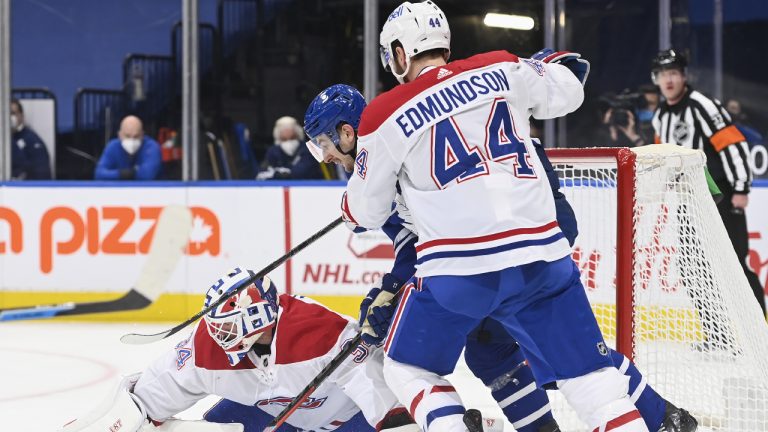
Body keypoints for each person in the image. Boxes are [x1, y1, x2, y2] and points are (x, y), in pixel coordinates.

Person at [325, 3, 647, 430]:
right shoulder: (501, 66)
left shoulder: (383, 113)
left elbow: (366, 211)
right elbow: (571, 89)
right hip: (544, 258)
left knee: (406, 368)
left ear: (401, 53)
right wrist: (549, 63)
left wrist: (349, 205)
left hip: (461, 273)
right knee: (594, 382)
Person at [305, 83, 698, 432]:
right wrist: (392, 287)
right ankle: (655, 415)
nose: (324, 156)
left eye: (323, 143)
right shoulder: (378, 166)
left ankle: (659, 415)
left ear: (346, 130)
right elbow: (412, 243)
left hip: (520, 241)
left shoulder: (400, 144)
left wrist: (394, 289)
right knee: (502, 348)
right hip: (484, 255)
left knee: (552, 347)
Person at [62, 268, 418, 432]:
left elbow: (381, 390)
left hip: (346, 420)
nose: (219, 335)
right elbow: (152, 396)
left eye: (229, 326)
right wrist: (117, 422)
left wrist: (400, 423)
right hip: (270, 414)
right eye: (216, 324)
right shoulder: (207, 347)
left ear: (260, 317)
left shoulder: (321, 332)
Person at [650, 49, 764, 317]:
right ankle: (717, 332)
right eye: (664, 74)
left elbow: (733, 144)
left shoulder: (702, 105)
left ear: (684, 76)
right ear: (656, 79)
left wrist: (740, 188)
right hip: (688, 202)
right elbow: (662, 155)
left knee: (733, 264)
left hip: (720, 196)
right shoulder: (660, 117)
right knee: (692, 268)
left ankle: (760, 328)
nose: (669, 80)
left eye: (674, 73)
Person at [94, 115, 162, 180]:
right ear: (119, 135)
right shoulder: (113, 146)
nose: (132, 140)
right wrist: (122, 174)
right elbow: (99, 174)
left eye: (136, 136)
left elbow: (147, 175)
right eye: (127, 136)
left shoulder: (151, 147)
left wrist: (129, 174)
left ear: (142, 135)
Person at [256, 116, 323, 180]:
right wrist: (278, 174)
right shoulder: (273, 151)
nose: (286, 131)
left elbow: (304, 171)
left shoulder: (307, 148)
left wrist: (283, 173)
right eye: (283, 128)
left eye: (289, 127)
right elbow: (263, 172)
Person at [10, 98, 52, 180]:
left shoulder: (32, 141)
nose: (9, 118)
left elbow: (41, 174)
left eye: (13, 113)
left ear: (21, 116)